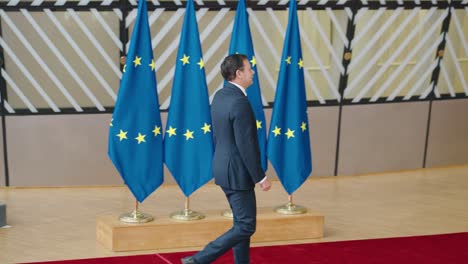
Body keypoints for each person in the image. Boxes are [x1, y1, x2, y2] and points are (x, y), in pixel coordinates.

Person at [181, 54, 272, 264]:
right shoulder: (240, 103)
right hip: (238, 173)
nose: (253, 72)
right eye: (249, 69)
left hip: (223, 168)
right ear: (239, 73)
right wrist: (260, 177)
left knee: (241, 223)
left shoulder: (221, 95)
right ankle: (197, 260)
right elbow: (246, 145)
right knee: (247, 225)